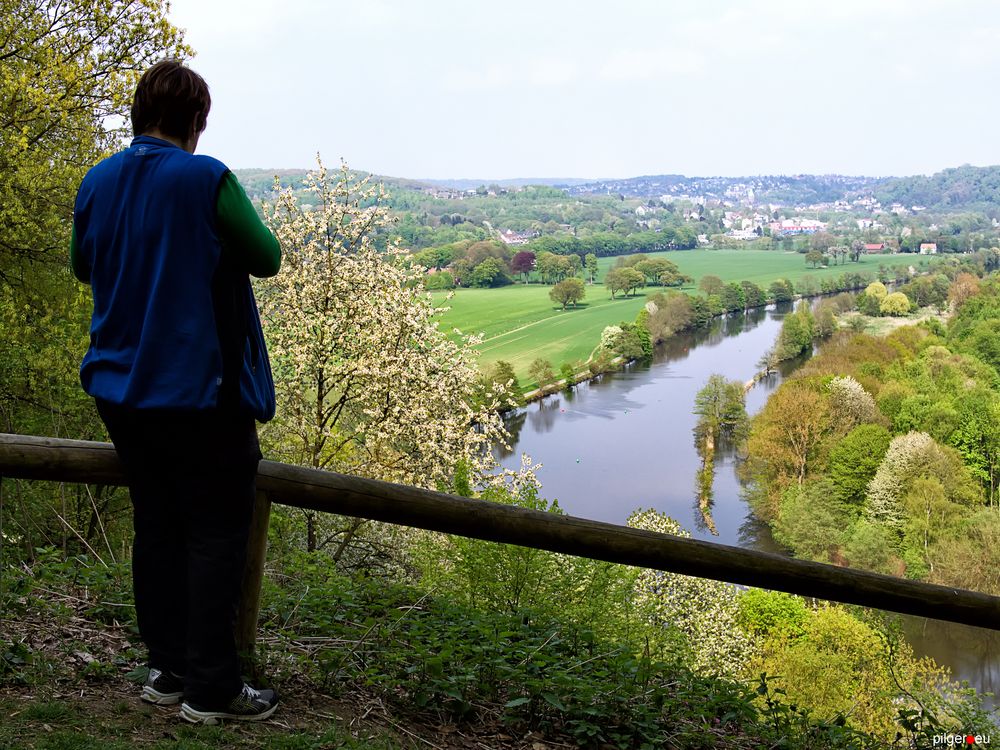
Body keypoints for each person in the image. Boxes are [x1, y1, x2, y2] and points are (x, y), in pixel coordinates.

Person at [71, 59, 281, 724]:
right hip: (197, 392)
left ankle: (167, 670)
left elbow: (82, 264)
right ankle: (211, 689)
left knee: (157, 525)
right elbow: (268, 256)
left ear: (139, 114)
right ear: (196, 121)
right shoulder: (205, 176)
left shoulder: (98, 180)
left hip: (119, 390)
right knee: (217, 532)